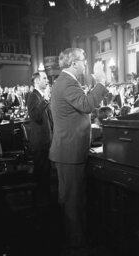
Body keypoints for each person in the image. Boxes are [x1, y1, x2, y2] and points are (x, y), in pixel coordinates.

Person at [49, 48, 108, 252]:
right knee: (72, 200)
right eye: (83, 60)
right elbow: (86, 105)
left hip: (71, 150)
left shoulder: (67, 82)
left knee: (73, 198)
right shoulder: (66, 82)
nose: (85, 64)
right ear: (74, 63)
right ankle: (76, 244)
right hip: (69, 152)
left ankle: (76, 239)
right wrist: (101, 81)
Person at [27, 71, 53, 206]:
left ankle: (46, 200)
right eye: (44, 78)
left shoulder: (41, 96)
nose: (47, 80)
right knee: (42, 174)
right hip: (40, 142)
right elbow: (36, 116)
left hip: (46, 140)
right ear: (37, 81)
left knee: (46, 172)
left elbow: (49, 119)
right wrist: (46, 100)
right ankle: (42, 205)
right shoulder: (33, 96)